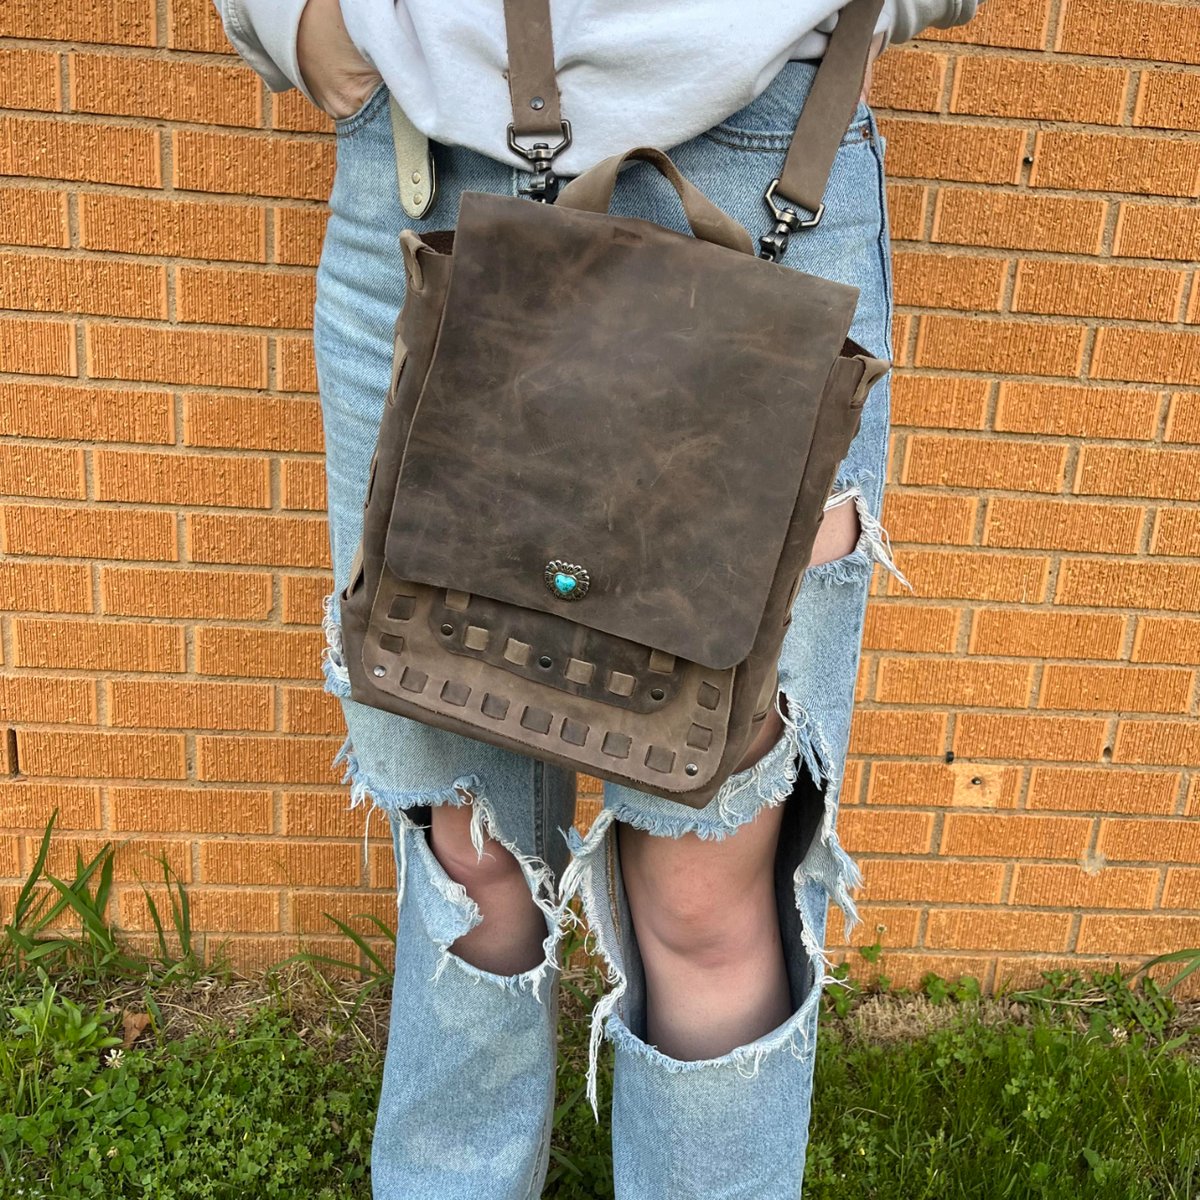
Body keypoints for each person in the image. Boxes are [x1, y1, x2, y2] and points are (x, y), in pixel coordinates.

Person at [214, 2, 981, 1196]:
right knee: (467, 852)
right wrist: (301, 22)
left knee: (704, 897)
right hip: (423, 199)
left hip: (772, 191)